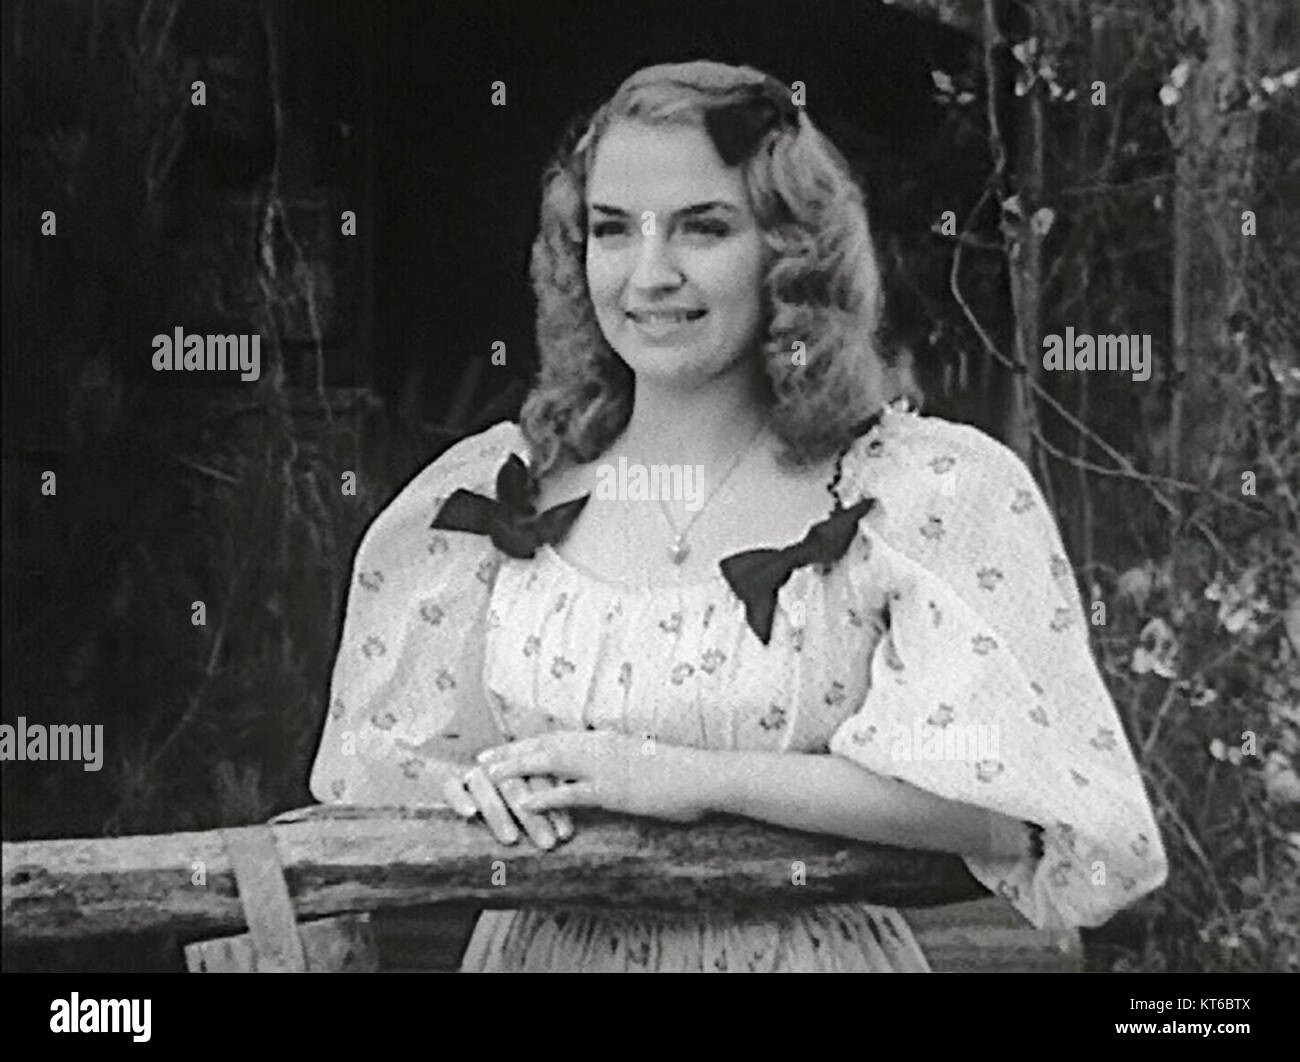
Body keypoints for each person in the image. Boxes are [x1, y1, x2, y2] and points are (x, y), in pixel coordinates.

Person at [310, 60, 1167, 972]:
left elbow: (999, 806)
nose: (649, 275)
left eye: (703, 228)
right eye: (611, 230)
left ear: (788, 251)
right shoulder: (499, 492)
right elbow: (391, 783)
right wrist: (477, 793)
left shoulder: (918, 492)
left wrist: (692, 782)